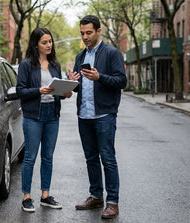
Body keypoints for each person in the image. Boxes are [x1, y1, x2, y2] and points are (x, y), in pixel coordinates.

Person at [68, 15, 127, 219]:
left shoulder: (111, 53)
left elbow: (121, 81)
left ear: (98, 31)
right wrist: (71, 81)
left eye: (89, 33)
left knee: (108, 159)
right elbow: (78, 88)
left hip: (104, 115)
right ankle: (96, 196)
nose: (85, 37)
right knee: (90, 158)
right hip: (84, 115)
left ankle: (112, 202)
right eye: (82, 33)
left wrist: (100, 77)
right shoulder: (79, 56)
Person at [16, 27, 72, 213]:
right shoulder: (26, 65)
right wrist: (39, 91)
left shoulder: (55, 65)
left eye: (50, 41)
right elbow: (21, 92)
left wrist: (66, 93)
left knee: (48, 157)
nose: (49, 45)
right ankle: (26, 197)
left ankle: (45, 196)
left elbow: (59, 92)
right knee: (30, 157)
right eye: (44, 42)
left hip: (52, 115)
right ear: (36, 45)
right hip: (33, 115)